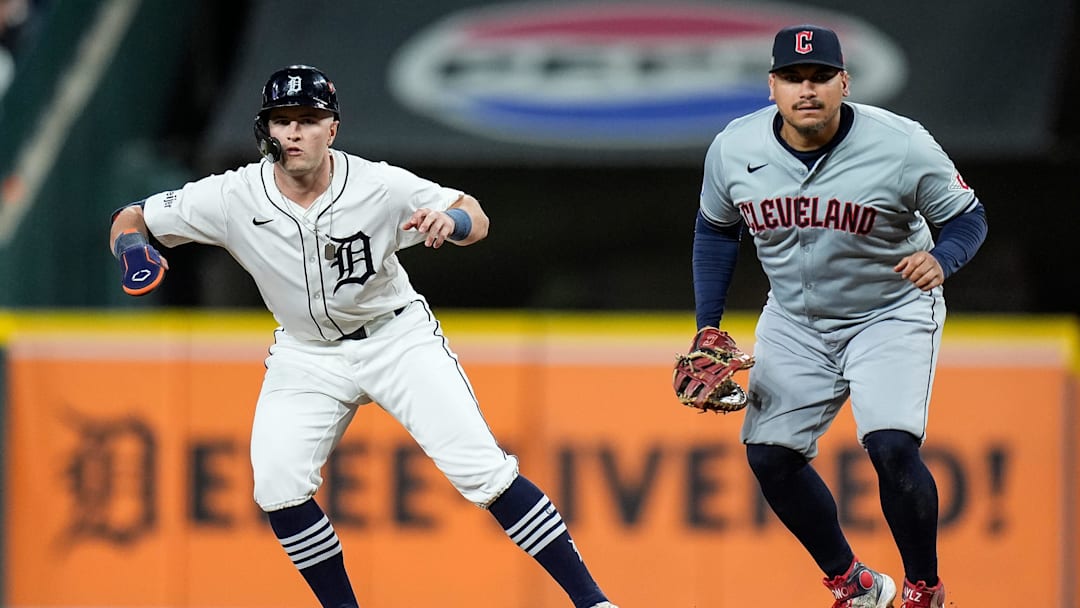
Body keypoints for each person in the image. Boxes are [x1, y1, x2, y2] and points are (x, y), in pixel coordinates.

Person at [108, 64, 618, 608]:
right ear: (267, 130)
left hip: (395, 338)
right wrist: (134, 250)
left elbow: (474, 212)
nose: (294, 133)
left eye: (308, 119)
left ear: (333, 128)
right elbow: (130, 216)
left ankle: (592, 602)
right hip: (306, 353)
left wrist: (457, 224)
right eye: (282, 121)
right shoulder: (235, 196)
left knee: (483, 472)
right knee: (278, 486)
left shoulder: (378, 184)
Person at [689, 25, 987, 608]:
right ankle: (853, 584)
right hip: (796, 318)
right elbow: (716, 231)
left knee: (891, 446)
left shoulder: (902, 144)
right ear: (771, 85)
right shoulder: (734, 147)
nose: (808, 89)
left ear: (844, 82)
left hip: (890, 309)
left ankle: (923, 589)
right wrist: (707, 323)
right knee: (769, 457)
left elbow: (968, 218)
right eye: (794, 78)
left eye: (821, 76)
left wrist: (942, 258)